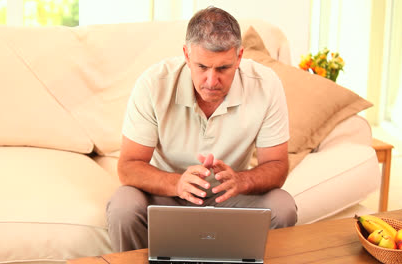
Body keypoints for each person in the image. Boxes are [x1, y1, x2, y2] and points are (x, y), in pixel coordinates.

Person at [106, 6, 297, 252]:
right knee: (123, 205)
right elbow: (128, 166)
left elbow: (278, 166)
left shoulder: (267, 84)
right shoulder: (153, 83)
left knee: (283, 206)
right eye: (202, 67)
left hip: (229, 194)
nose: (211, 81)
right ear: (186, 55)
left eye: (223, 68)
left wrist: (241, 180)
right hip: (167, 193)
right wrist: (177, 184)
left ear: (239, 57)